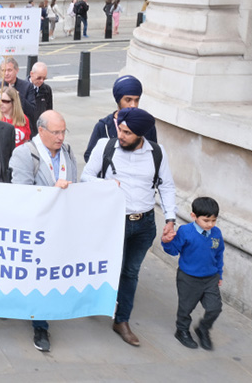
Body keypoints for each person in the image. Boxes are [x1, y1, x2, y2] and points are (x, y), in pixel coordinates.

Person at [81, 107, 177, 347]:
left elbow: (166, 186)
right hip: (113, 221)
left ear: (141, 135)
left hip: (144, 223)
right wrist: (107, 184)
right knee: (107, 266)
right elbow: (85, 176)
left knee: (131, 272)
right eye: (120, 129)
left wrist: (170, 219)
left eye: (127, 133)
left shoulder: (157, 152)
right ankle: (96, 301)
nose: (121, 135)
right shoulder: (105, 146)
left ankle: (121, 320)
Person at [10, 110, 79, 352]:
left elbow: (75, 185)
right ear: (41, 130)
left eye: (63, 131)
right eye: (56, 132)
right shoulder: (24, 154)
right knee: (37, 275)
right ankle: (40, 325)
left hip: (60, 227)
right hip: (36, 229)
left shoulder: (68, 152)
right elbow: (21, 194)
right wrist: (53, 191)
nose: (61, 137)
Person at [161, 196, 224, 350]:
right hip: (188, 278)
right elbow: (174, 250)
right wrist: (166, 241)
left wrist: (219, 274)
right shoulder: (185, 231)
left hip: (210, 277)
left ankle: (203, 328)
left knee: (215, 307)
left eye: (213, 220)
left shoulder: (216, 233)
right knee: (186, 307)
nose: (210, 224)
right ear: (194, 216)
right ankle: (181, 330)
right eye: (206, 220)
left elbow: (219, 254)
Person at [84, 75, 157, 162]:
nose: (133, 105)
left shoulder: (147, 126)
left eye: (136, 100)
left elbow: (154, 155)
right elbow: (89, 156)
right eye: (128, 100)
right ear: (118, 100)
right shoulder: (104, 126)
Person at [0, 57, 37, 127]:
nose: (6, 73)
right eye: (3, 70)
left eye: (9, 70)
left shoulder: (27, 86)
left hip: (20, 126)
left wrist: (18, 96)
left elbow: (32, 111)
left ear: (17, 70)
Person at [29, 62, 53, 135]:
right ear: (31, 74)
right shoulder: (23, 88)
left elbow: (49, 111)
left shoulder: (47, 89)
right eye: (39, 78)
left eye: (44, 78)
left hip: (40, 130)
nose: (42, 81)